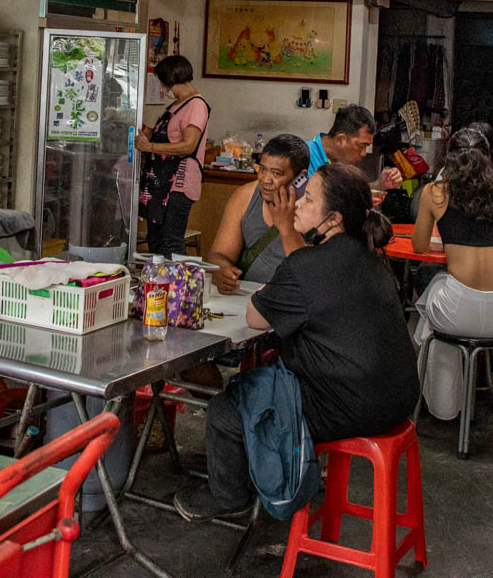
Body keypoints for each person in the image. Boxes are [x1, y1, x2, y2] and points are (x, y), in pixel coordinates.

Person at [175, 163, 419, 522]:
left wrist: (266, 289)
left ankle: (228, 496)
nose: (297, 204)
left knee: (227, 409)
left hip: (351, 405)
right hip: (398, 397)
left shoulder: (308, 266)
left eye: (308, 198)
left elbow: (255, 317)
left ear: (333, 219)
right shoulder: (369, 257)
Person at [409, 145, 493, 420]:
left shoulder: (435, 193)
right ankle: (455, 394)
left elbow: (419, 246)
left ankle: (437, 401)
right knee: (439, 295)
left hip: (458, 313)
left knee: (431, 294)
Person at [206, 134, 311, 294]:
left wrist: (286, 226)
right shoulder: (245, 196)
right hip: (246, 295)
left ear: (300, 178)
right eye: (262, 170)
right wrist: (222, 270)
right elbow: (218, 254)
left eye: (277, 173)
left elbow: (310, 274)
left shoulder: (314, 209)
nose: (266, 180)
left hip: (293, 299)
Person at [135, 56, 210, 256]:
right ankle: (159, 285)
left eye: (162, 82)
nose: (163, 87)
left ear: (170, 79)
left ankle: (179, 286)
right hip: (159, 184)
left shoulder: (196, 105)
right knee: (155, 241)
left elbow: (188, 145)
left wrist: (150, 146)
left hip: (178, 183)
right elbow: (166, 134)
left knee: (171, 242)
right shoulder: (177, 105)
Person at [306, 105, 403, 191]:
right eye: (361, 146)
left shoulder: (339, 158)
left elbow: (347, 192)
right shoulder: (304, 157)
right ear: (340, 140)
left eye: (367, 146)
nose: (364, 153)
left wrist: (379, 185)